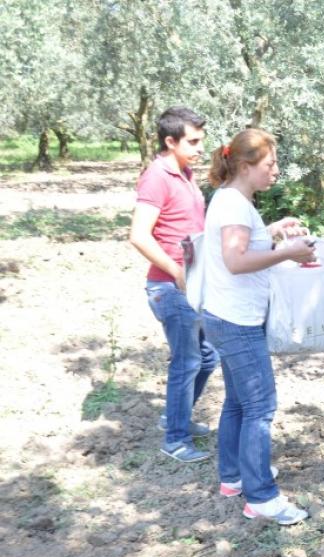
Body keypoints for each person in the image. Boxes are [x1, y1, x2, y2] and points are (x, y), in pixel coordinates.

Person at [201, 128, 313, 526]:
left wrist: (273, 230)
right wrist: (287, 252)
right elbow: (235, 260)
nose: (276, 171)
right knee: (260, 408)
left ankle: (233, 476)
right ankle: (261, 497)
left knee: (237, 402)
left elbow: (243, 244)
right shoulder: (233, 204)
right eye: (270, 164)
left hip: (222, 315)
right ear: (246, 166)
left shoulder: (232, 200)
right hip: (237, 321)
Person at [129, 107, 219, 463]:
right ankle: (175, 440)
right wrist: (177, 272)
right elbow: (138, 235)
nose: (199, 148)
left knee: (208, 357)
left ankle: (175, 416)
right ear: (170, 141)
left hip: (192, 284)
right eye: (192, 141)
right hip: (170, 287)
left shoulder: (185, 171)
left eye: (201, 140)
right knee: (187, 361)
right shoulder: (157, 176)